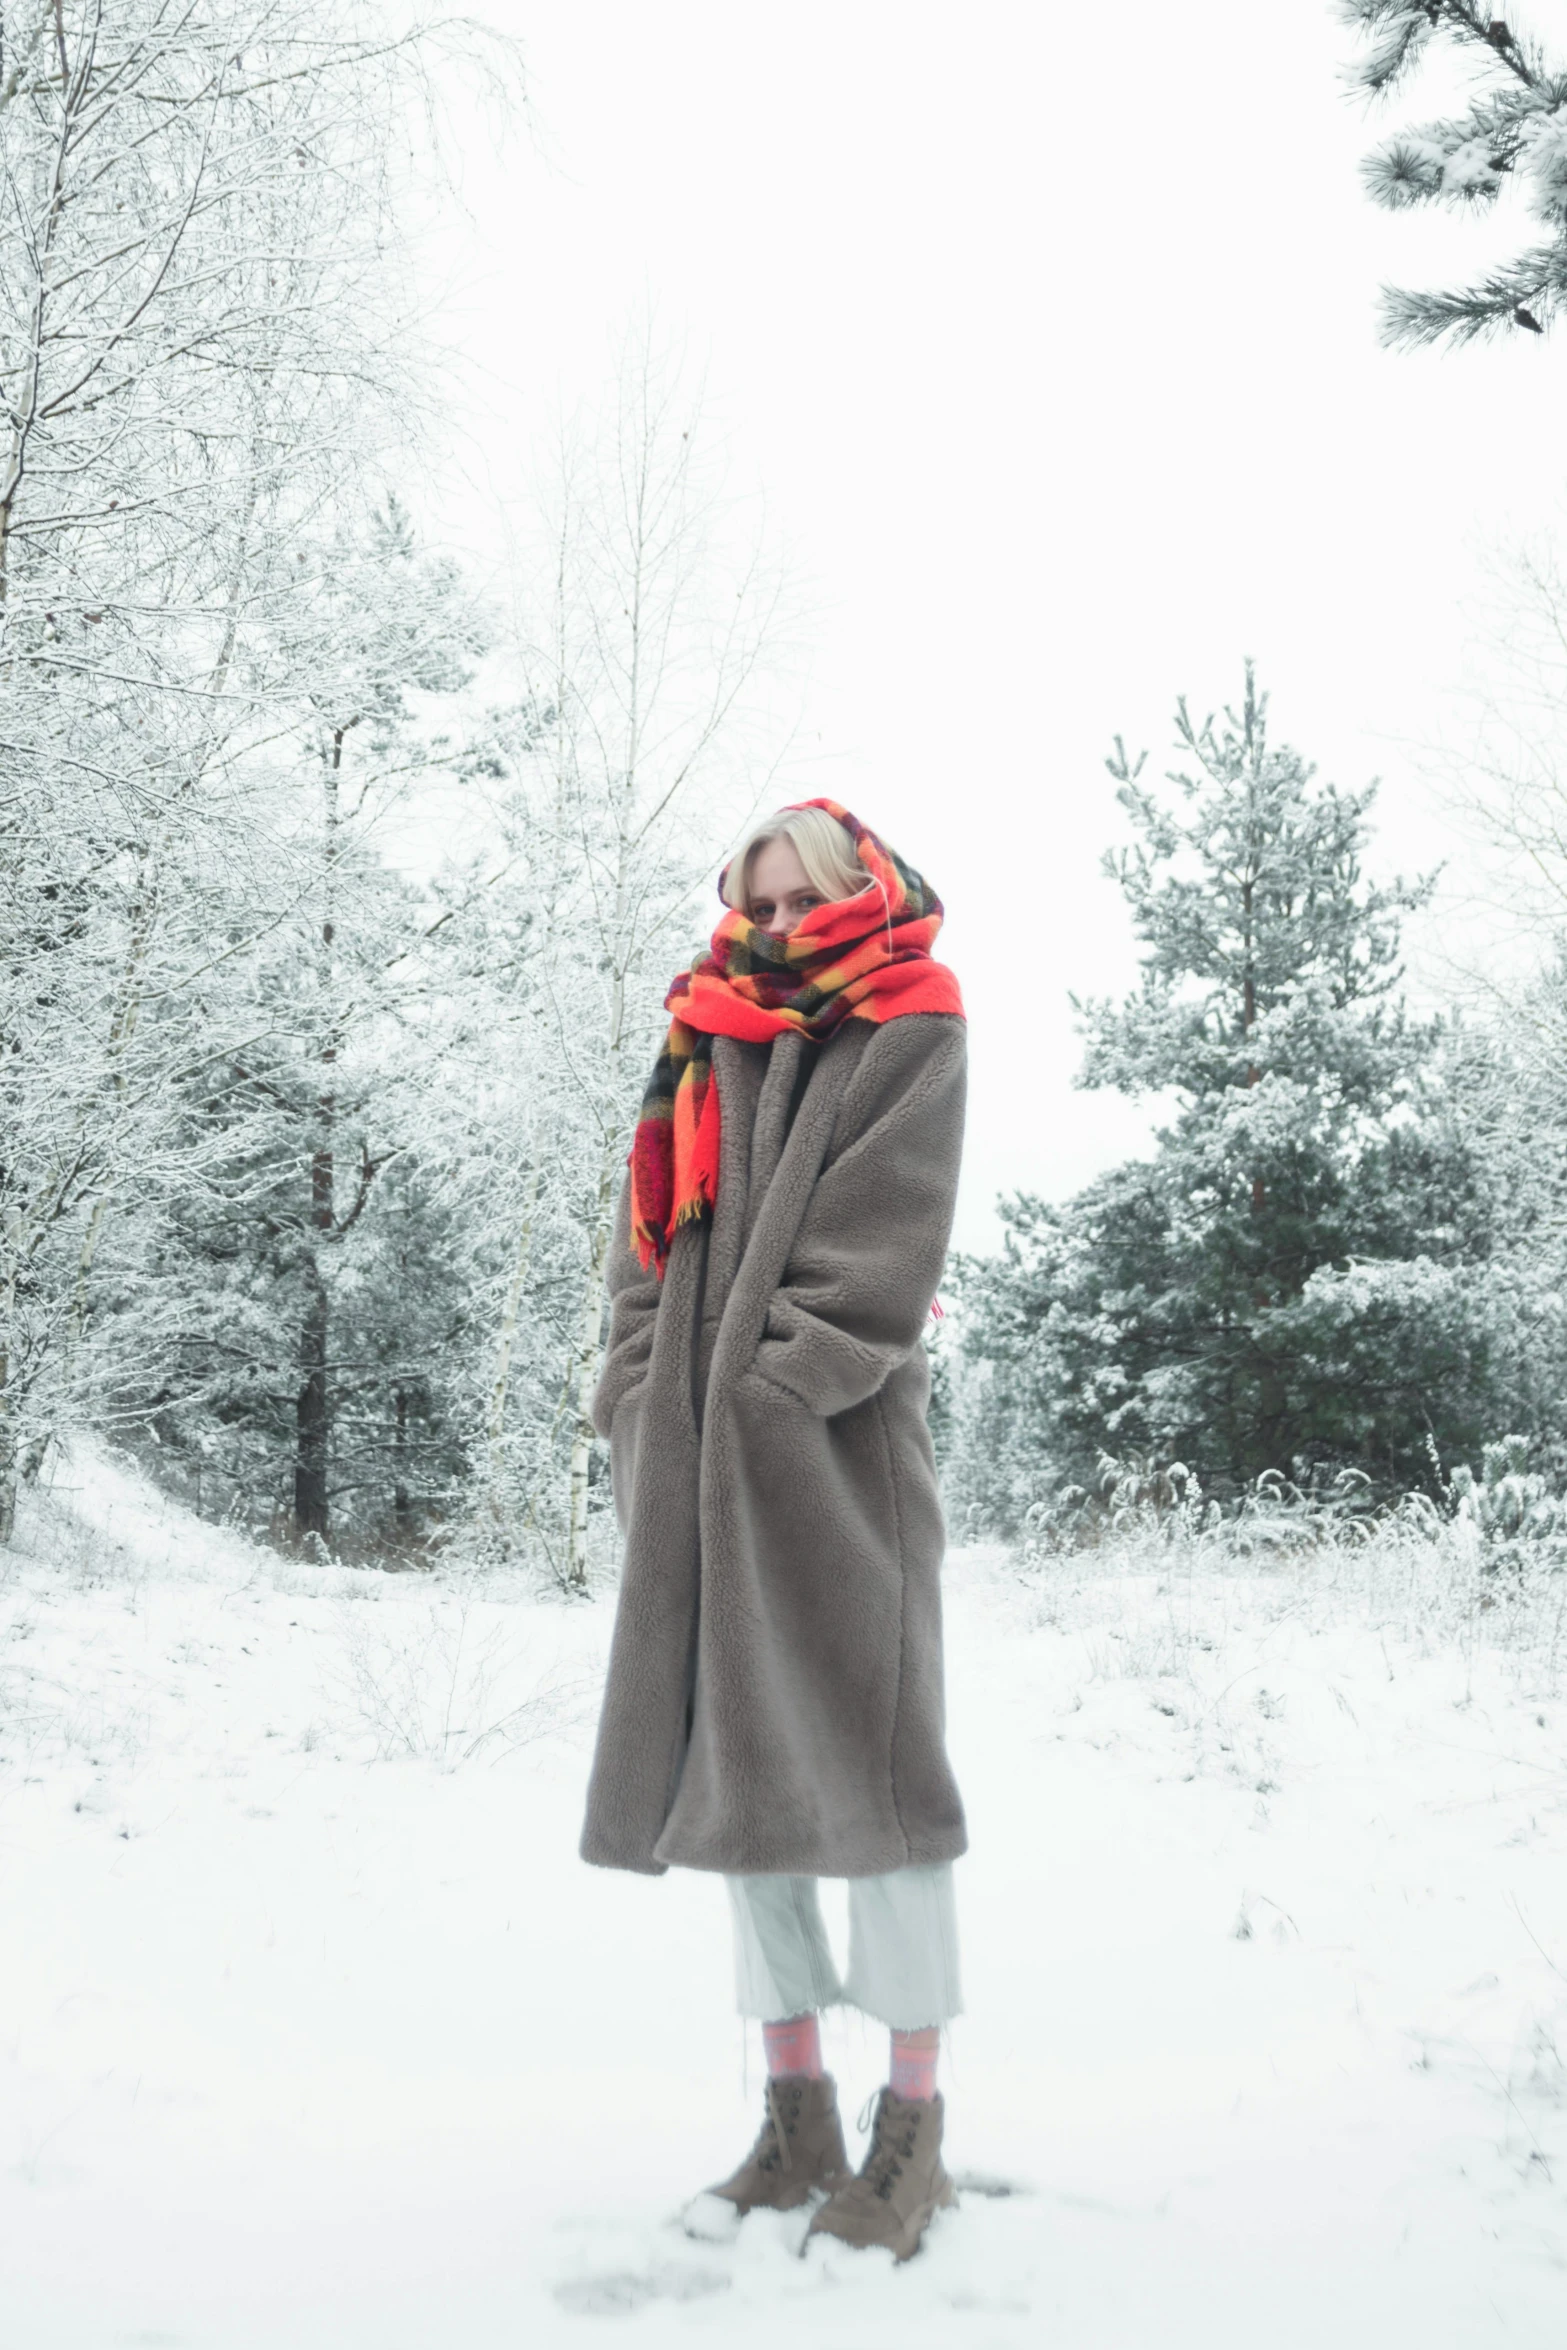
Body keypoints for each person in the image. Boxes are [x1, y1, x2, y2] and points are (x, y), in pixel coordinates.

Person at [580, 797, 969, 2263]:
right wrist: (637, 1392)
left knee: (881, 1795)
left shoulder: (911, 1020)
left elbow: (882, 1252)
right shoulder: (702, 1026)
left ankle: (912, 2131)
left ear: (851, 887)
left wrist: (763, 1391)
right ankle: (795, 2110)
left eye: (793, 892)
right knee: (741, 1789)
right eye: (750, 896)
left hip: (835, 1468)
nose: (769, 919)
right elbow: (638, 1238)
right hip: (690, 1469)